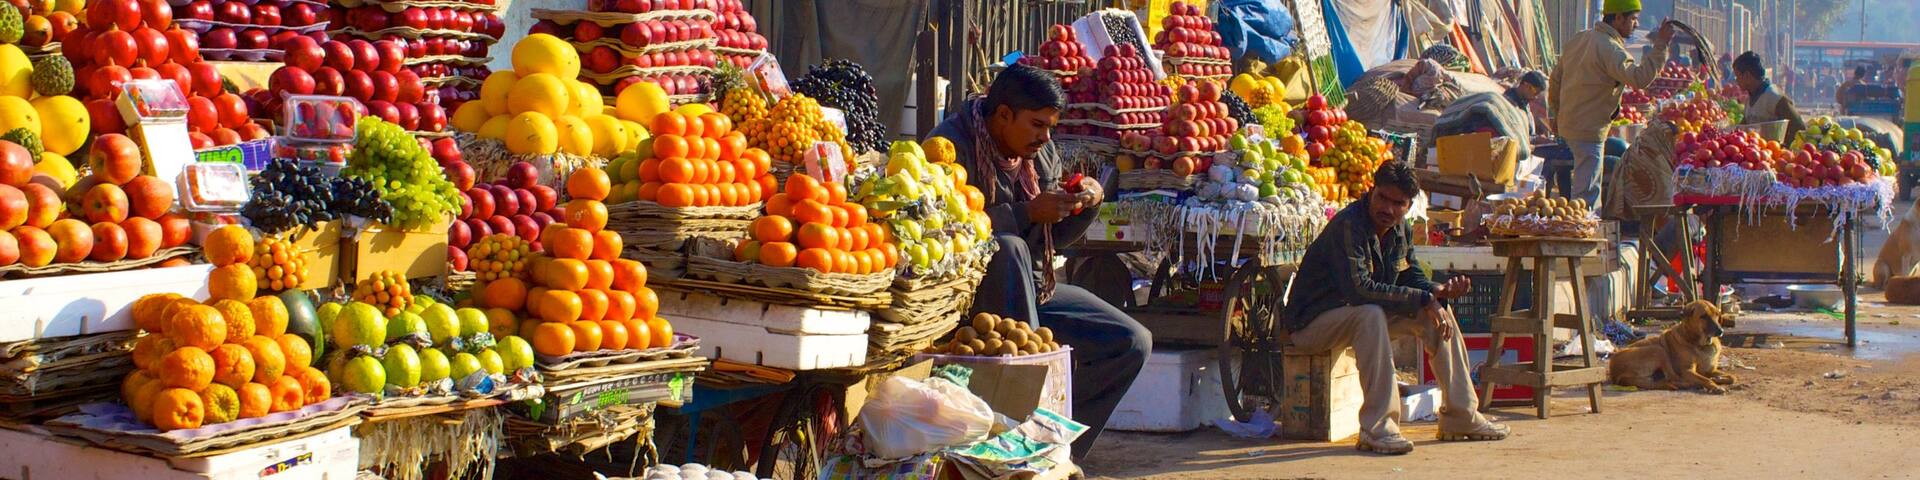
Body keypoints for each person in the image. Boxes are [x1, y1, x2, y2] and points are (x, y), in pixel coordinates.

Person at [926, 64, 1150, 459]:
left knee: (1131, 342)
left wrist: (1082, 205)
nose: (1045, 137)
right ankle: (1025, 429)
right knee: (1008, 248)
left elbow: (1053, 239)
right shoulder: (949, 147)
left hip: (1033, 289)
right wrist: (1026, 213)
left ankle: (1056, 448)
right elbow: (942, 232)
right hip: (966, 297)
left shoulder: (1039, 154)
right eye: (1037, 125)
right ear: (1003, 115)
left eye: (1050, 127)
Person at [1282, 160, 1511, 455]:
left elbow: (1409, 273)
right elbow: (1359, 290)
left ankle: (1461, 415)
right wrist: (1424, 298)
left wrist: (1436, 292)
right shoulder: (1349, 225)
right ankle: (1378, 429)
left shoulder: (1399, 228)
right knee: (1371, 314)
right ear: (1372, 191)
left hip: (1356, 318)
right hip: (1310, 325)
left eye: (1398, 203)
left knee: (1436, 314)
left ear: (1408, 205)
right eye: (1383, 198)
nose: (1388, 209)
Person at [1549, 0, 1675, 212]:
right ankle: (1584, 229)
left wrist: (1555, 114)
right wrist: (1661, 45)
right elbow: (1640, 78)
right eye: (1633, 19)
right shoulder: (1610, 49)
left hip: (1569, 126)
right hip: (1588, 131)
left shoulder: (1580, 38)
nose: (1636, 24)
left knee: (1587, 182)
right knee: (1586, 197)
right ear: (1617, 18)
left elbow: (1555, 80)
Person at [1732, 51, 1806, 141]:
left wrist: (1783, 145)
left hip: (1773, 149)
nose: (1736, 81)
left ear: (1747, 76)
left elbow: (1799, 128)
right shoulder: (1750, 98)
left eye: (1737, 76)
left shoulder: (1775, 97)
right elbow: (1743, 128)